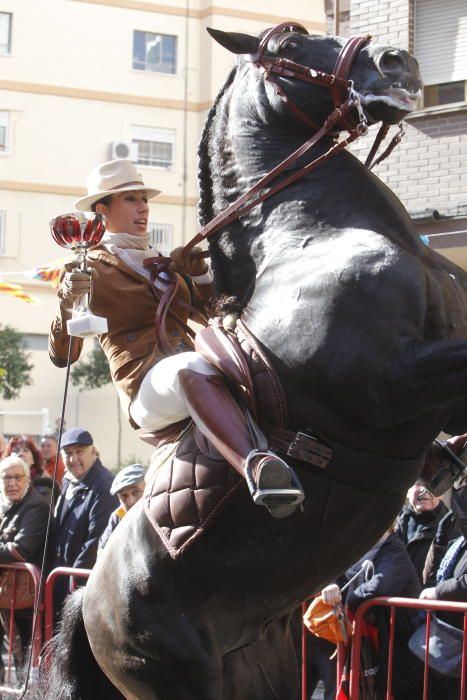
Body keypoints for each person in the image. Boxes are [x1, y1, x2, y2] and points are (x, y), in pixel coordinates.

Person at [48, 158, 304, 517]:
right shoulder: (89, 266)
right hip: (145, 386)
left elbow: (216, 315)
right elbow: (65, 354)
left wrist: (198, 276)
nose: (143, 208)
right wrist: (65, 303)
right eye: (131, 199)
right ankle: (256, 465)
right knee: (191, 367)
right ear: (102, 210)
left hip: (201, 363)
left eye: (144, 199)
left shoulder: (164, 262)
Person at [322, 527, 422, 700]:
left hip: (397, 648)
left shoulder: (395, 551)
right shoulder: (356, 548)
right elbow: (336, 572)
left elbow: (379, 587)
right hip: (368, 644)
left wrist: (345, 600)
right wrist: (333, 586)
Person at [48, 428, 117, 618]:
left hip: (81, 586)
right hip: (60, 577)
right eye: (68, 454)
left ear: (93, 451)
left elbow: (95, 541)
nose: (73, 459)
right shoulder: (68, 481)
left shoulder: (104, 485)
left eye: (80, 452)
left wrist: (72, 581)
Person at [0, 455, 49, 676]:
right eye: (6, 478)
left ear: (27, 479)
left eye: (17, 477)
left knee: (28, 658)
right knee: (12, 650)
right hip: (7, 595)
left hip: (26, 596)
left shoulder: (36, 506)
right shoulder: (5, 505)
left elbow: (20, 550)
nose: (11, 483)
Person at [395, 480, 450, 583]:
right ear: (407, 491)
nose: (424, 490)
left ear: (441, 494)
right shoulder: (392, 522)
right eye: (418, 484)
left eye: (431, 484)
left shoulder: (451, 526)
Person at [99, 463, 146, 550]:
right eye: (124, 495)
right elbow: (104, 549)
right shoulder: (118, 516)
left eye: (136, 492)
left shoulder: (158, 514)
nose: (130, 501)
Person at [4, 434, 55, 503]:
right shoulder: (2, 483)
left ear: (33, 460)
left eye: (25, 450)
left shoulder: (44, 486)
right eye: (16, 450)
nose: (20, 453)